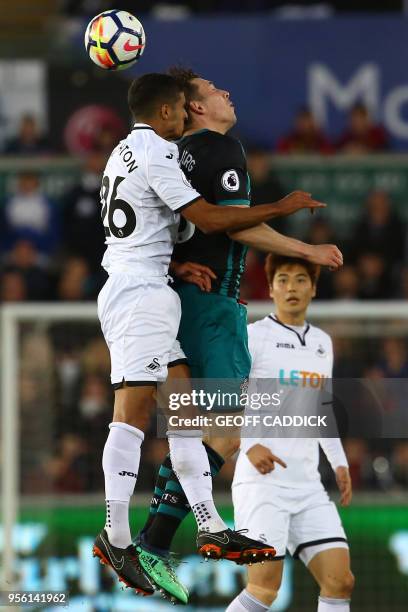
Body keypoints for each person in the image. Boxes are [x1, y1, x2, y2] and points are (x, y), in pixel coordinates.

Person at [93, 73, 324, 602]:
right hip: (143, 294)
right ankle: (121, 537)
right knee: (133, 414)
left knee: (185, 413)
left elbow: (141, 223)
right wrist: (283, 210)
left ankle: (205, 523)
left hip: (152, 286)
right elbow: (215, 218)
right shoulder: (162, 150)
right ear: (176, 111)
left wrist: (173, 260)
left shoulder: (125, 152)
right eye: (183, 104)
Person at [228, 254, 354, 612]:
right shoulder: (254, 337)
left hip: (308, 486)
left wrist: (340, 464)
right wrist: (248, 446)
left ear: (313, 288)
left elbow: (322, 408)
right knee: (264, 588)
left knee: (340, 581)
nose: (291, 287)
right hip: (261, 485)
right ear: (270, 288)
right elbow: (225, 397)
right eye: (282, 279)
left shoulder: (322, 343)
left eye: (301, 279)